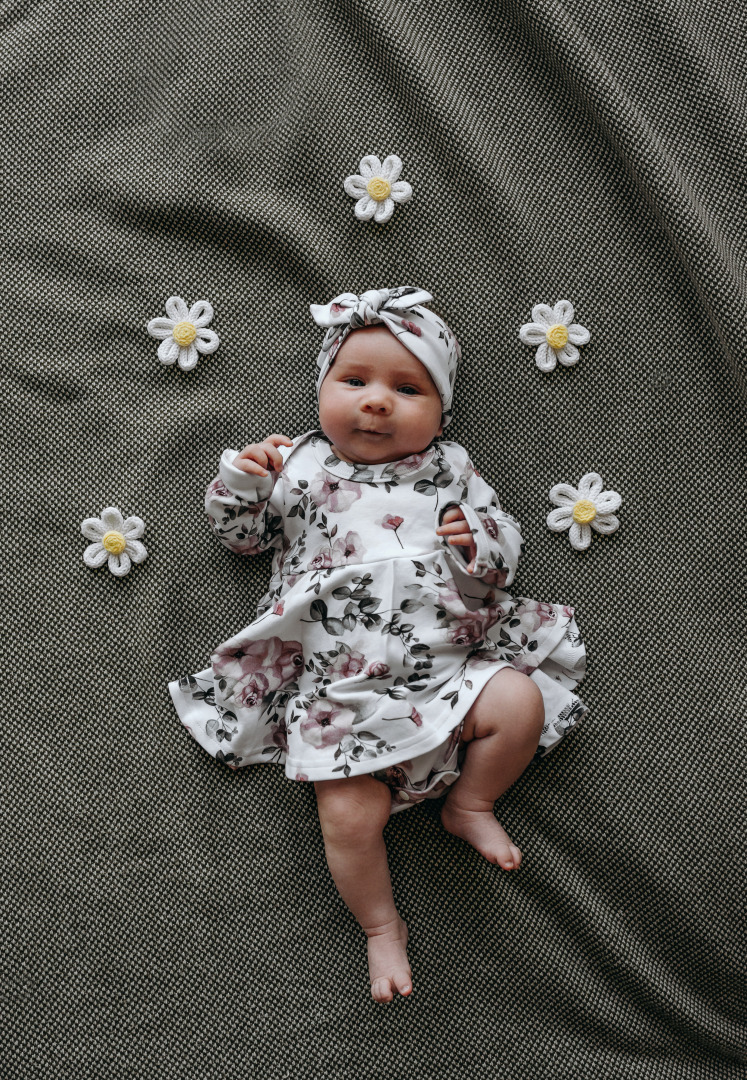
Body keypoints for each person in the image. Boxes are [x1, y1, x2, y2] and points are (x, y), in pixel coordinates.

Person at [169, 286, 588, 1004]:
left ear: (441, 411)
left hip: (445, 671)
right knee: (347, 815)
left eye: (406, 388)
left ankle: (472, 803)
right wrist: (243, 481)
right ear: (323, 389)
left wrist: (477, 542)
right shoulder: (297, 464)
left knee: (517, 701)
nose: (375, 402)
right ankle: (379, 925)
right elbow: (241, 539)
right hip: (341, 696)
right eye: (353, 381)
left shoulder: (450, 469)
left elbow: (503, 550)